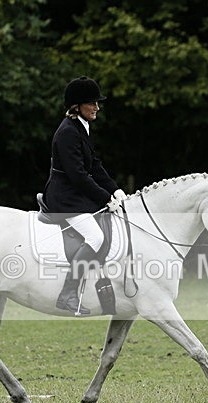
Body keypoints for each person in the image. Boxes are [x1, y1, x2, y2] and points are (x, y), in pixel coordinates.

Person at [42, 76, 125, 315]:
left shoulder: (80, 127)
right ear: (77, 106)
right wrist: (105, 198)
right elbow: (78, 175)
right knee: (95, 237)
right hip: (64, 198)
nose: (97, 107)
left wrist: (115, 189)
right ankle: (68, 293)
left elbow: (94, 165)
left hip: (74, 194)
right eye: (92, 103)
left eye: (97, 103)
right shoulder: (68, 132)